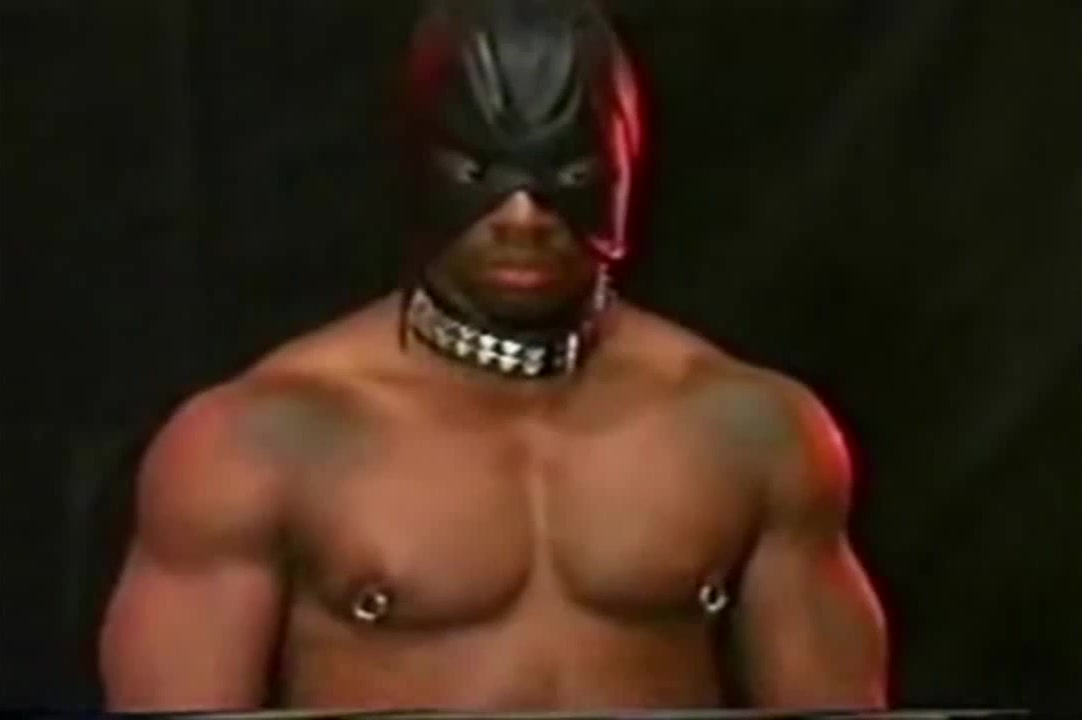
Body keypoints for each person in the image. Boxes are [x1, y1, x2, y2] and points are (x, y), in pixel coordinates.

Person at [99, 0, 887, 712]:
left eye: (565, 175)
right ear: (419, 167)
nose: (522, 217)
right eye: (480, 174)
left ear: (622, 169)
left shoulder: (749, 430)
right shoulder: (256, 443)